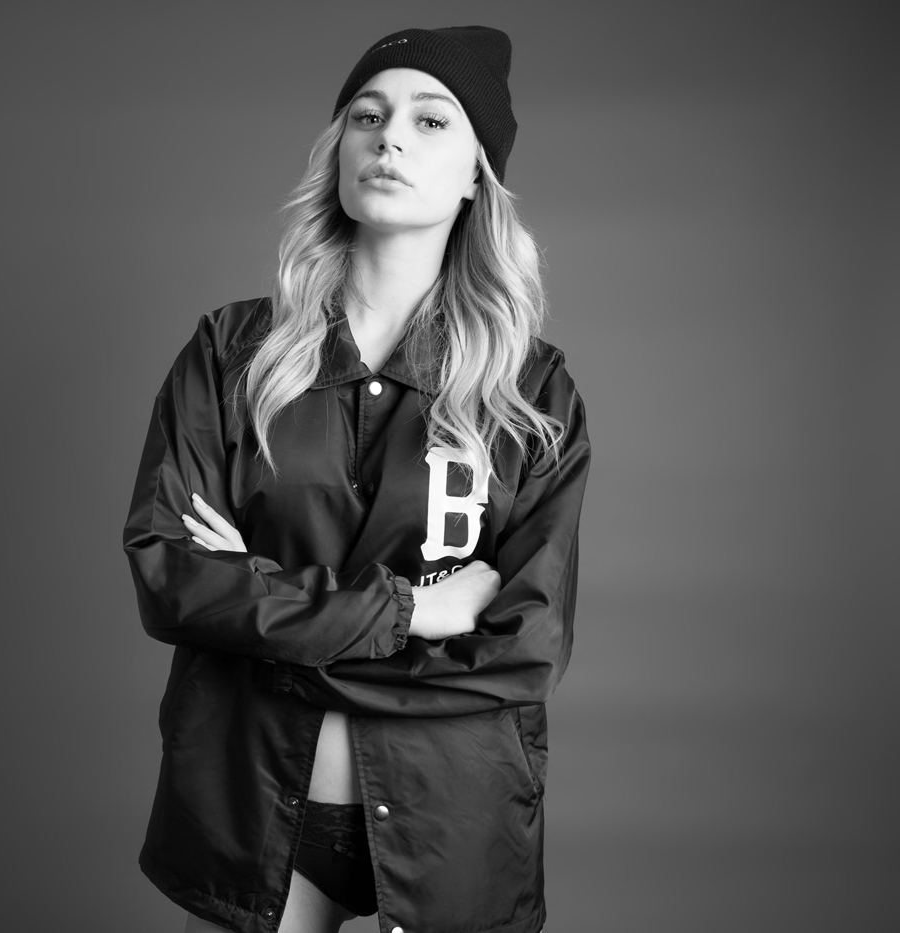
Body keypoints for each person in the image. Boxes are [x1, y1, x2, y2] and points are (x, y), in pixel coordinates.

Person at [123, 26, 591, 933]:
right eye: (368, 117)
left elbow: (526, 647)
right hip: (252, 802)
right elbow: (172, 578)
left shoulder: (534, 392)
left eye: (431, 120)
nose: (390, 138)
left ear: (476, 175)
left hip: (454, 816)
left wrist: (272, 625)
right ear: (338, 148)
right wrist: (414, 611)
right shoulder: (231, 353)